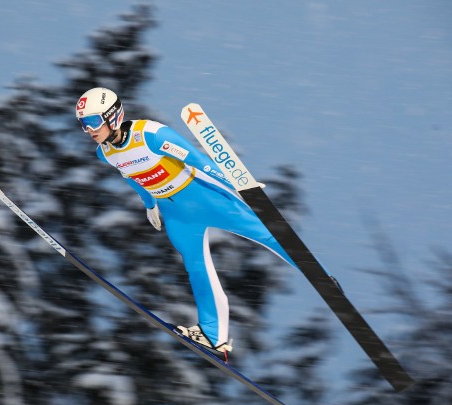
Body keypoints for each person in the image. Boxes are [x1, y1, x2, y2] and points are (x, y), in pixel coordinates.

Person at [76, 87, 297, 354]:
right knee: (196, 267)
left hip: (202, 196)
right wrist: (150, 205)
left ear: (113, 116)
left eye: (92, 122)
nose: (89, 130)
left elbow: (198, 160)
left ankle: (313, 270)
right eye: (83, 125)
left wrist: (236, 184)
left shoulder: (151, 135)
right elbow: (132, 177)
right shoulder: (106, 153)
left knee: (264, 233)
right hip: (176, 214)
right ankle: (213, 334)